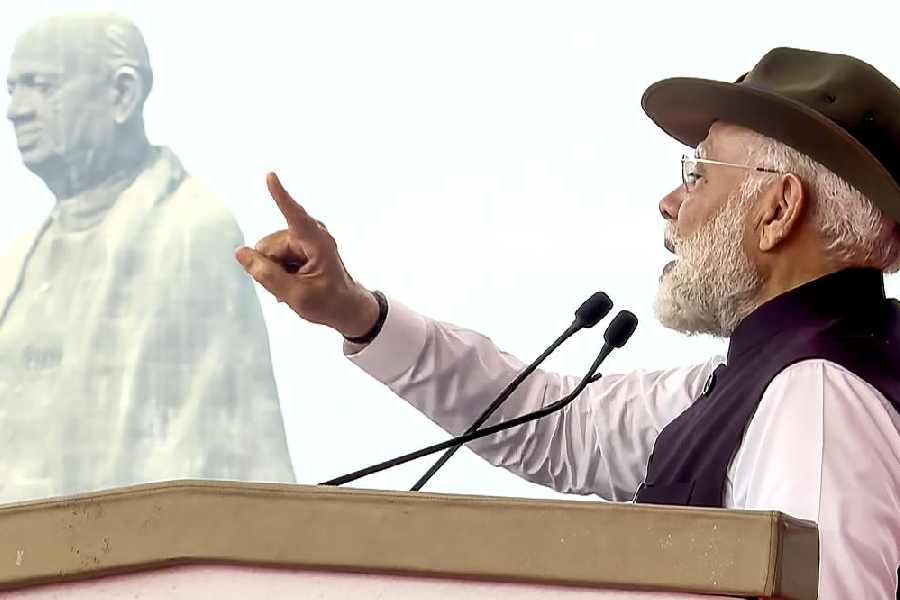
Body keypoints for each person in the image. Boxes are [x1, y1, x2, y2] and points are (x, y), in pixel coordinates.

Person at [236, 47, 900, 597]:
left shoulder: (816, 401)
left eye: (697, 173)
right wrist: (356, 313)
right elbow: (555, 424)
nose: (669, 203)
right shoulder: (771, 381)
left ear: (779, 210)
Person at [0, 12, 295, 502]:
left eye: (39, 86)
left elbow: (217, 453)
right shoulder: (15, 263)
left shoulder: (188, 231)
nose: (16, 110)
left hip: (129, 557)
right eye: (12, 89)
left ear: (122, 94)